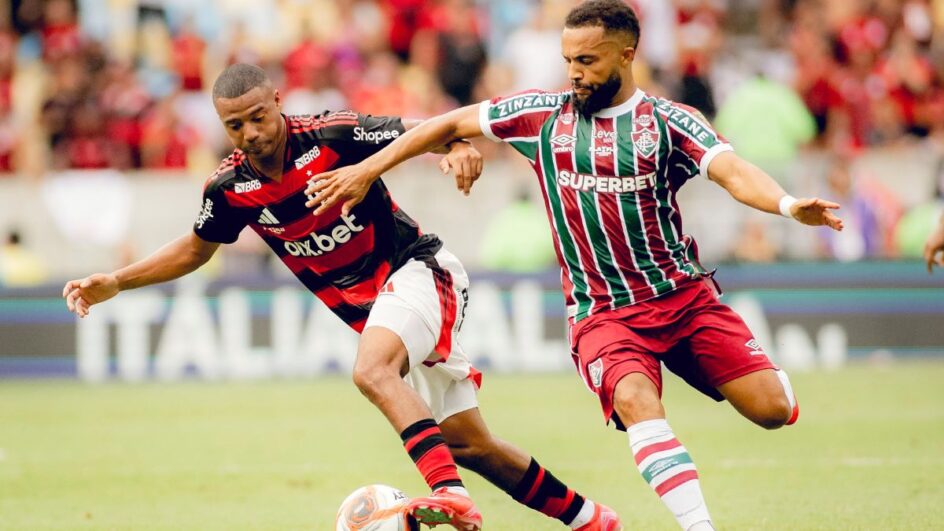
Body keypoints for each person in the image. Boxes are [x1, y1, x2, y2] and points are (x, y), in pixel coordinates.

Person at [303, 2, 845, 530]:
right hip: (602, 312)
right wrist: (366, 171)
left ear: (626, 55)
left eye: (587, 62)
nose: (574, 74)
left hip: (682, 298)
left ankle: (755, 383)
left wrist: (788, 205)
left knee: (772, 410)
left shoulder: (668, 122)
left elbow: (733, 171)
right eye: (568, 61)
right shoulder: (543, 115)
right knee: (636, 400)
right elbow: (446, 122)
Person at [62, 64, 622, 531]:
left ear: (277, 101)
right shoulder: (230, 189)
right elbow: (195, 249)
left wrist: (454, 145)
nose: (252, 132)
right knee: (473, 446)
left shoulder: (331, 134)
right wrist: (116, 281)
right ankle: (594, 521)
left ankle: (448, 495)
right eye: (236, 125)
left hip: (420, 269)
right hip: (380, 309)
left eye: (259, 116)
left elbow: (415, 128)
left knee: (372, 370)